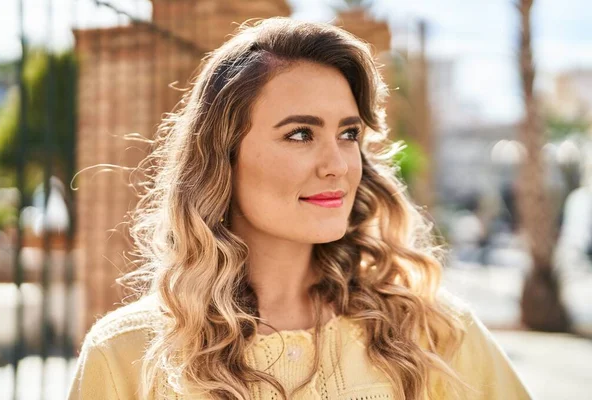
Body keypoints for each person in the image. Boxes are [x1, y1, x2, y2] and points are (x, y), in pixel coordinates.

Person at [68, 17, 531, 400]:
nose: (338, 166)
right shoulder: (125, 354)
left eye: (348, 134)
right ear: (223, 156)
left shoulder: (431, 330)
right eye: (300, 134)